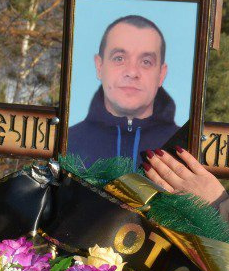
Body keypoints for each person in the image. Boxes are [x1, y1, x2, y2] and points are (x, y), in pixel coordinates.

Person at [66, 15, 180, 169]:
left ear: (161, 74)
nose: (132, 72)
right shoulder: (66, 142)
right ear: (99, 66)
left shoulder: (184, 150)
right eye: (119, 58)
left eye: (146, 62)